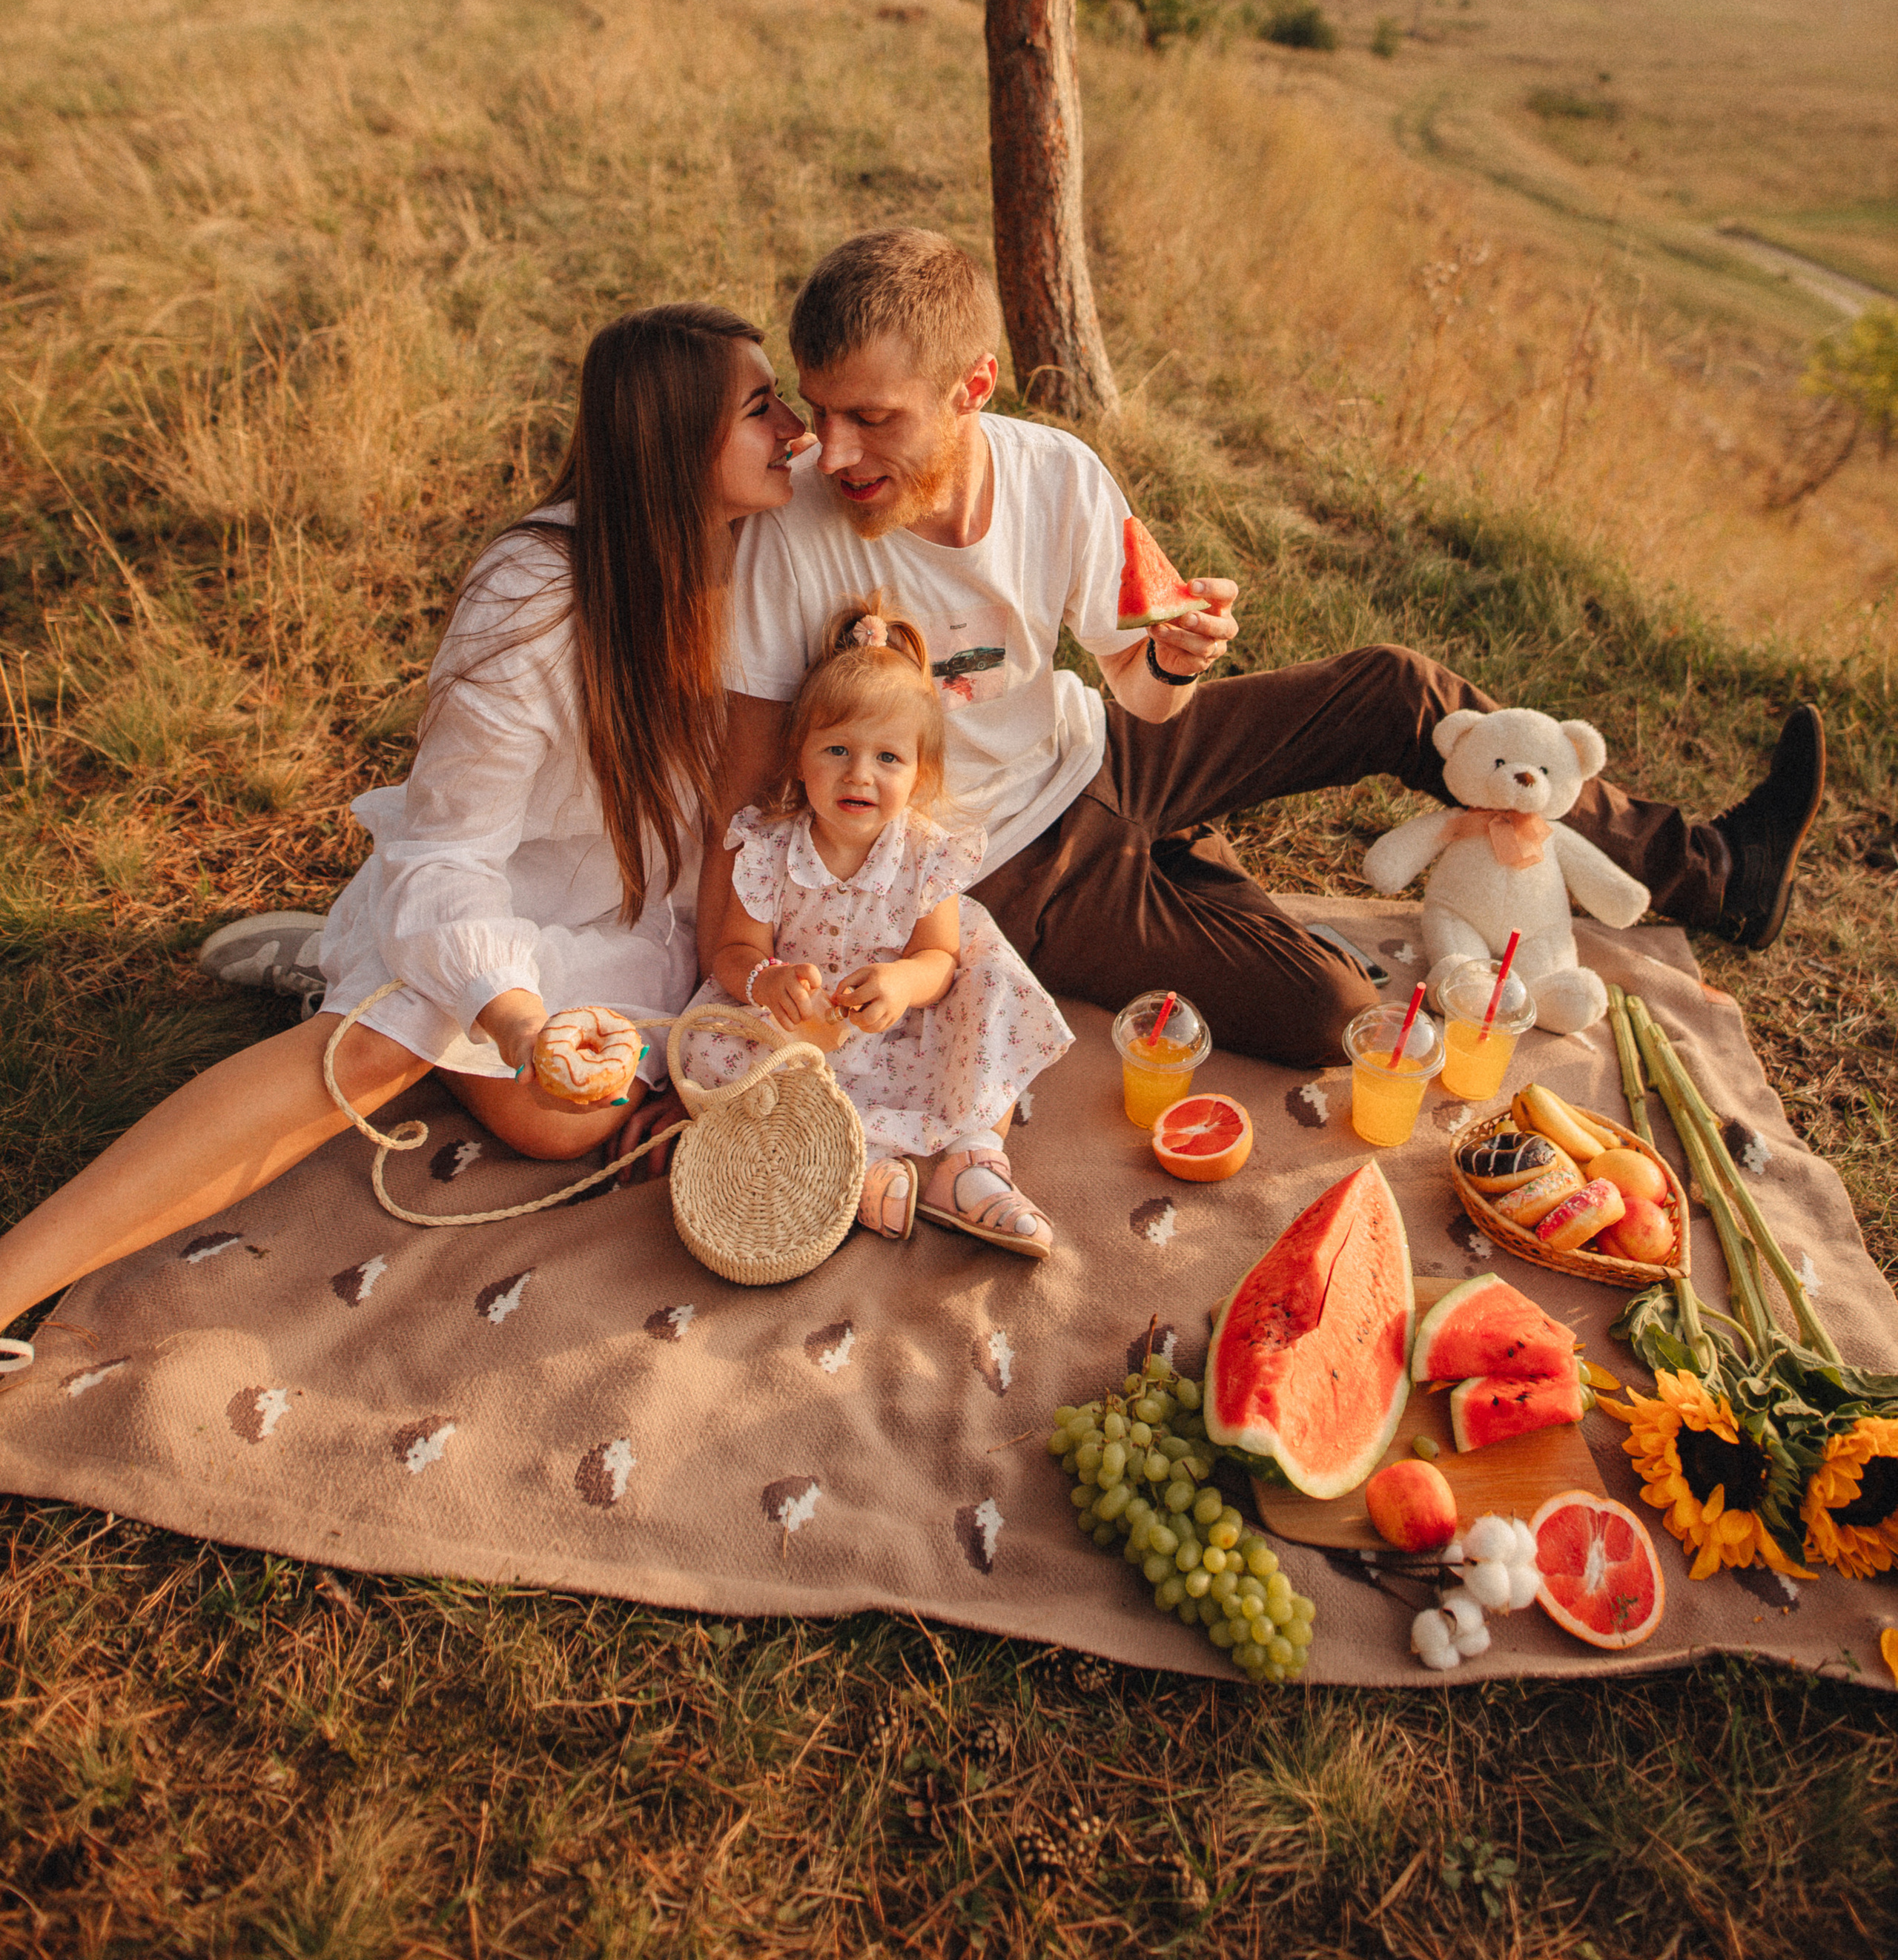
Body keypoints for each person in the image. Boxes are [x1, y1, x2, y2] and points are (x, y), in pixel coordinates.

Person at [703, 228, 1828, 1073]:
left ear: (972, 390)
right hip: (1002, 862)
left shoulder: (1057, 473)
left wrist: (1176, 659)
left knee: (1396, 690)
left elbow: (1145, 697)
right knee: (1336, 1013)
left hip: (1102, 750)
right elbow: (748, 791)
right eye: (819, 410)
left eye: (873, 418)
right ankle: (1187, 878)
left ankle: (1721, 873)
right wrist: (731, 969)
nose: (832, 452)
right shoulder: (793, 538)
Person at [0, 304, 810, 1379]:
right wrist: (516, 1021)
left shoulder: (777, 542)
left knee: (563, 1126)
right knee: (388, 1036)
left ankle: (367, 964)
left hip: (645, 914)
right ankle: (15, 1277)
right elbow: (450, 855)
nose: (798, 429)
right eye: (761, 408)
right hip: (497, 892)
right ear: (673, 442)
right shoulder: (534, 595)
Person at [695, 592, 1072, 1258]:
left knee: (989, 981)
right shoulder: (769, 849)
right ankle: (857, 1164)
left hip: (905, 1026)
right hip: (800, 1032)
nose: (860, 775)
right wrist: (766, 981)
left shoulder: (925, 853)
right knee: (710, 1048)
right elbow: (732, 951)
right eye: (837, 749)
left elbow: (940, 958)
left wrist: (901, 982)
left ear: (921, 774)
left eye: (888, 759)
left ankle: (971, 1160)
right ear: (799, 758)